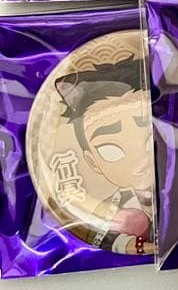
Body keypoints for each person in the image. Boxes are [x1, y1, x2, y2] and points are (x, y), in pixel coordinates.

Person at [56, 56, 154, 254]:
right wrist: (135, 244)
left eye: (151, 139)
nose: (139, 158)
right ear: (93, 162)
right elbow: (102, 236)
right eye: (110, 150)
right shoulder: (109, 208)